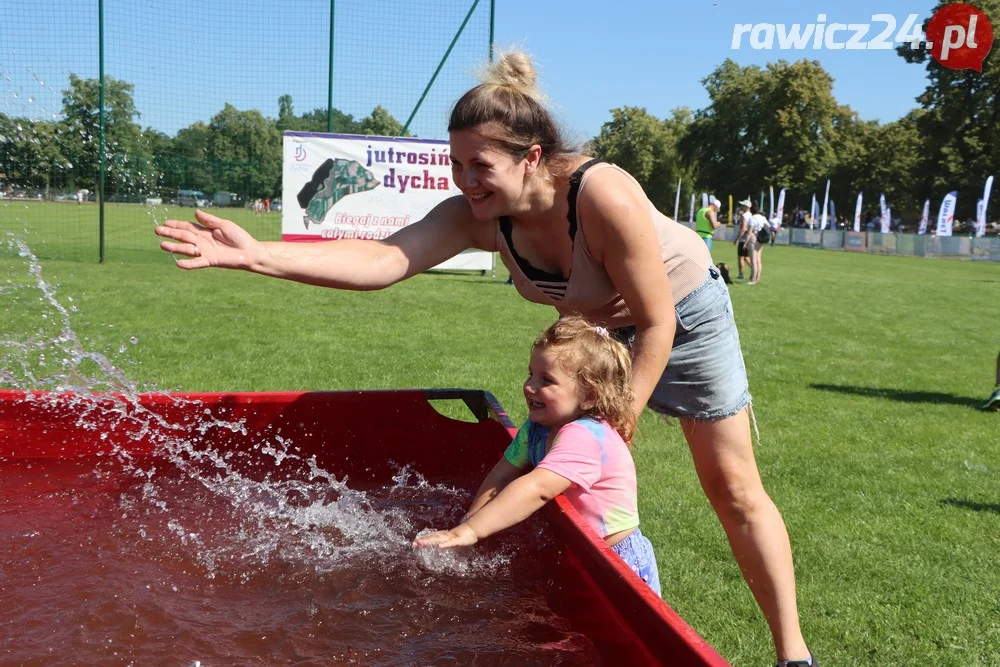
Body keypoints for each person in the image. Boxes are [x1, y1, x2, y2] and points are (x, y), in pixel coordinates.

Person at [154, 50, 814, 667]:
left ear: (531, 157)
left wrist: (618, 423)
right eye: (457, 166)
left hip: (682, 314)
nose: (466, 182)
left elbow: (656, 320)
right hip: (592, 336)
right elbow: (387, 259)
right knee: (553, 479)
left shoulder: (600, 193)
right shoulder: (482, 217)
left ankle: (794, 654)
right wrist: (258, 254)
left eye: (481, 167)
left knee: (732, 489)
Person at [413, 315, 661, 595]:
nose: (530, 386)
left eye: (547, 380)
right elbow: (501, 475)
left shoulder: (586, 436)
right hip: (581, 549)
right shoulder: (537, 429)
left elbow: (537, 488)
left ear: (589, 396)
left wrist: (471, 532)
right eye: (530, 373)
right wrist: (469, 521)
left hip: (616, 560)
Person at [746, 203, 769, 285]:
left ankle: (753, 279)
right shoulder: (762, 217)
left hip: (754, 238)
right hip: (761, 239)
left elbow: (749, 232)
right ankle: (757, 278)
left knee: (753, 260)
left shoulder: (752, 218)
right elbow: (768, 226)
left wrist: (745, 243)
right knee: (758, 260)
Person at [734, 198, 752, 279]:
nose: (741, 207)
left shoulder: (745, 216)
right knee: (746, 257)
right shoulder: (751, 215)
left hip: (744, 239)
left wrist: (737, 238)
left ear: (746, 207)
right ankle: (754, 269)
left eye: (743, 205)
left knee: (741, 257)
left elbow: (744, 228)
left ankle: (741, 274)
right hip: (749, 238)